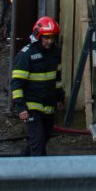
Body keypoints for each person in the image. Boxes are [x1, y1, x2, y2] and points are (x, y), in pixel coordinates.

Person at [10, 16, 64, 156]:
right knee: (38, 142)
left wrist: (59, 99)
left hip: (48, 105)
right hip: (31, 106)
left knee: (43, 138)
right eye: (46, 37)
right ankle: (38, 175)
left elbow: (57, 78)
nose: (49, 41)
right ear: (38, 36)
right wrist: (20, 107)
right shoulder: (26, 54)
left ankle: (21, 165)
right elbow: (16, 84)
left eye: (52, 38)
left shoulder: (55, 52)